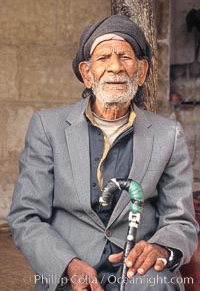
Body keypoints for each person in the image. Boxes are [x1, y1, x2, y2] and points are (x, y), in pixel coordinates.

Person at [8, 15, 198, 291]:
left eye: (125, 56)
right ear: (87, 74)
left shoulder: (168, 134)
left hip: (139, 271)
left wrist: (160, 247)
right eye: (103, 58)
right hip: (71, 266)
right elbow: (26, 216)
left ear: (142, 71)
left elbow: (180, 218)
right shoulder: (48, 127)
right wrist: (67, 263)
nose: (115, 67)